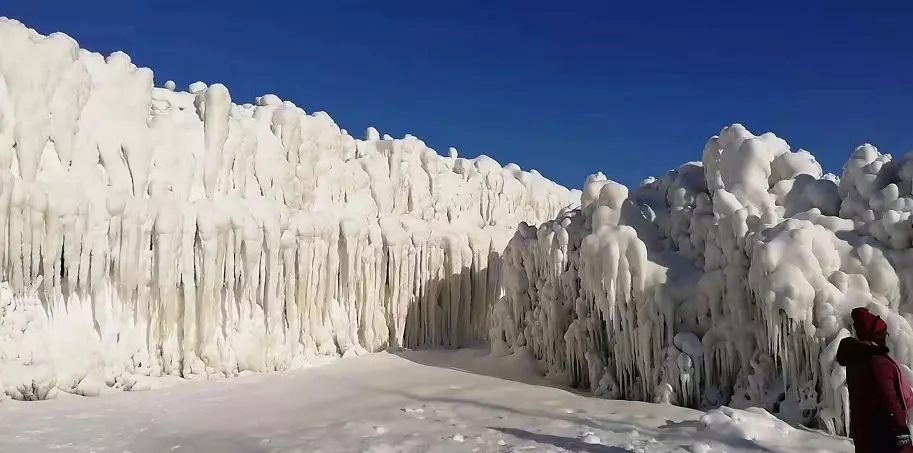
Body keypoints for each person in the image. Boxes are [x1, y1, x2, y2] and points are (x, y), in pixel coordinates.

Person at [836, 307, 913, 453]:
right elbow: (889, 399)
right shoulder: (878, 363)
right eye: (883, 333)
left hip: (866, 435)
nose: (885, 337)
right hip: (885, 437)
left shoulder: (858, 360)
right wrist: (901, 433)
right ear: (875, 335)